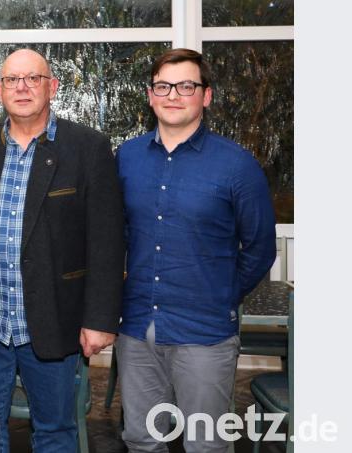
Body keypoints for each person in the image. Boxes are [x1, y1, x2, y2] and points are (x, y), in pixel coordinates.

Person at [0, 48, 125, 452]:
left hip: (55, 319)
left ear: (52, 87)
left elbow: (106, 242)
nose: (22, 87)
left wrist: (101, 319)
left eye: (33, 78)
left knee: (55, 429)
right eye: (12, 80)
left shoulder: (87, 148)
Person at [115, 48, 277, 452]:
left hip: (204, 335)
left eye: (186, 85)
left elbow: (260, 247)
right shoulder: (127, 158)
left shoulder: (237, 165)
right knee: (141, 441)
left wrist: (221, 292)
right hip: (136, 329)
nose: (173, 95)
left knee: (206, 444)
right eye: (163, 86)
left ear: (205, 96)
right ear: (150, 95)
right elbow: (114, 233)